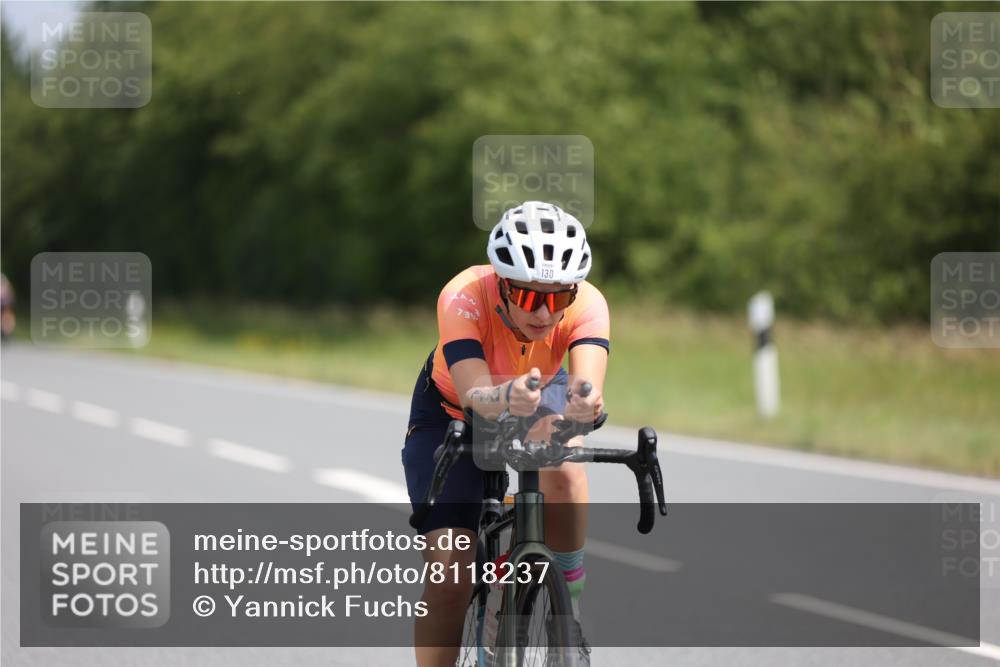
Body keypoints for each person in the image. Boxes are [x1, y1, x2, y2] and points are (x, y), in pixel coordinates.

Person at [402, 201, 609, 666]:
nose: (545, 313)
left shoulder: (589, 302)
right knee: (449, 579)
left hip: (538, 393)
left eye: (558, 298)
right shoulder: (463, 295)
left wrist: (584, 402)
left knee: (567, 469)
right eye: (530, 298)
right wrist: (505, 396)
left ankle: (567, 615)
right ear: (502, 284)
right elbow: (475, 393)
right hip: (453, 412)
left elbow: (586, 385)